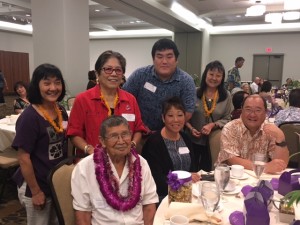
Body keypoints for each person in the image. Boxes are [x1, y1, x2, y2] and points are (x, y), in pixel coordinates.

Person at [71, 115, 158, 225]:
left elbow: (149, 204)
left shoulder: (141, 163)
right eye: (114, 136)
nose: (121, 141)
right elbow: (83, 215)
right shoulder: (84, 168)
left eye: (125, 134)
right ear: (102, 141)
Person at [12, 63, 68, 225]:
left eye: (57, 82)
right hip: (35, 185)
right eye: (47, 83)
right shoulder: (29, 117)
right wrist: (36, 191)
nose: (53, 87)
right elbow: (23, 157)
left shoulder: (61, 111)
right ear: (37, 86)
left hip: (54, 182)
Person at [67, 50, 147, 156]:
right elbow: (74, 133)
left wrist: (132, 144)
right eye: (108, 69)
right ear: (97, 73)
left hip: (124, 160)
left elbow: (138, 129)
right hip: (92, 161)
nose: (113, 74)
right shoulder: (83, 100)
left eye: (118, 70)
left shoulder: (130, 99)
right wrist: (88, 149)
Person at [123, 38, 196, 132]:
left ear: (176, 60)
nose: (164, 61)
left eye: (169, 57)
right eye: (160, 56)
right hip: (140, 132)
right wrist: (140, 126)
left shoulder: (186, 81)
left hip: (172, 133)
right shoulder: (140, 75)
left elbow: (188, 112)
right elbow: (125, 101)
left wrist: (164, 132)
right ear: (153, 59)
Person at [142, 97, 200, 203]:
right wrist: (183, 179)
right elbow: (156, 179)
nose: (176, 120)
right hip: (163, 196)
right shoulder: (154, 142)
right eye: (170, 115)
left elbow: (193, 168)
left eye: (179, 115)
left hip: (187, 191)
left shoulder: (185, 138)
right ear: (163, 118)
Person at [216, 95, 289, 174]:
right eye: (248, 109)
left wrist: (280, 137)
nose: (252, 115)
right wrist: (264, 167)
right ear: (242, 110)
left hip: (260, 178)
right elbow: (232, 160)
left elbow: (281, 164)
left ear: (266, 112)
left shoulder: (270, 129)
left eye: (258, 110)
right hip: (232, 177)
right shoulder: (230, 128)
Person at [185, 61, 233, 171]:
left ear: (222, 78)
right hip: (192, 139)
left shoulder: (226, 96)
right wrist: (191, 128)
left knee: (208, 170)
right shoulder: (194, 92)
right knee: (191, 169)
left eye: (218, 75)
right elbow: (183, 115)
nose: (214, 78)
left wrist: (213, 125)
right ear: (205, 74)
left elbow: (227, 118)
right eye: (211, 74)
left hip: (214, 141)